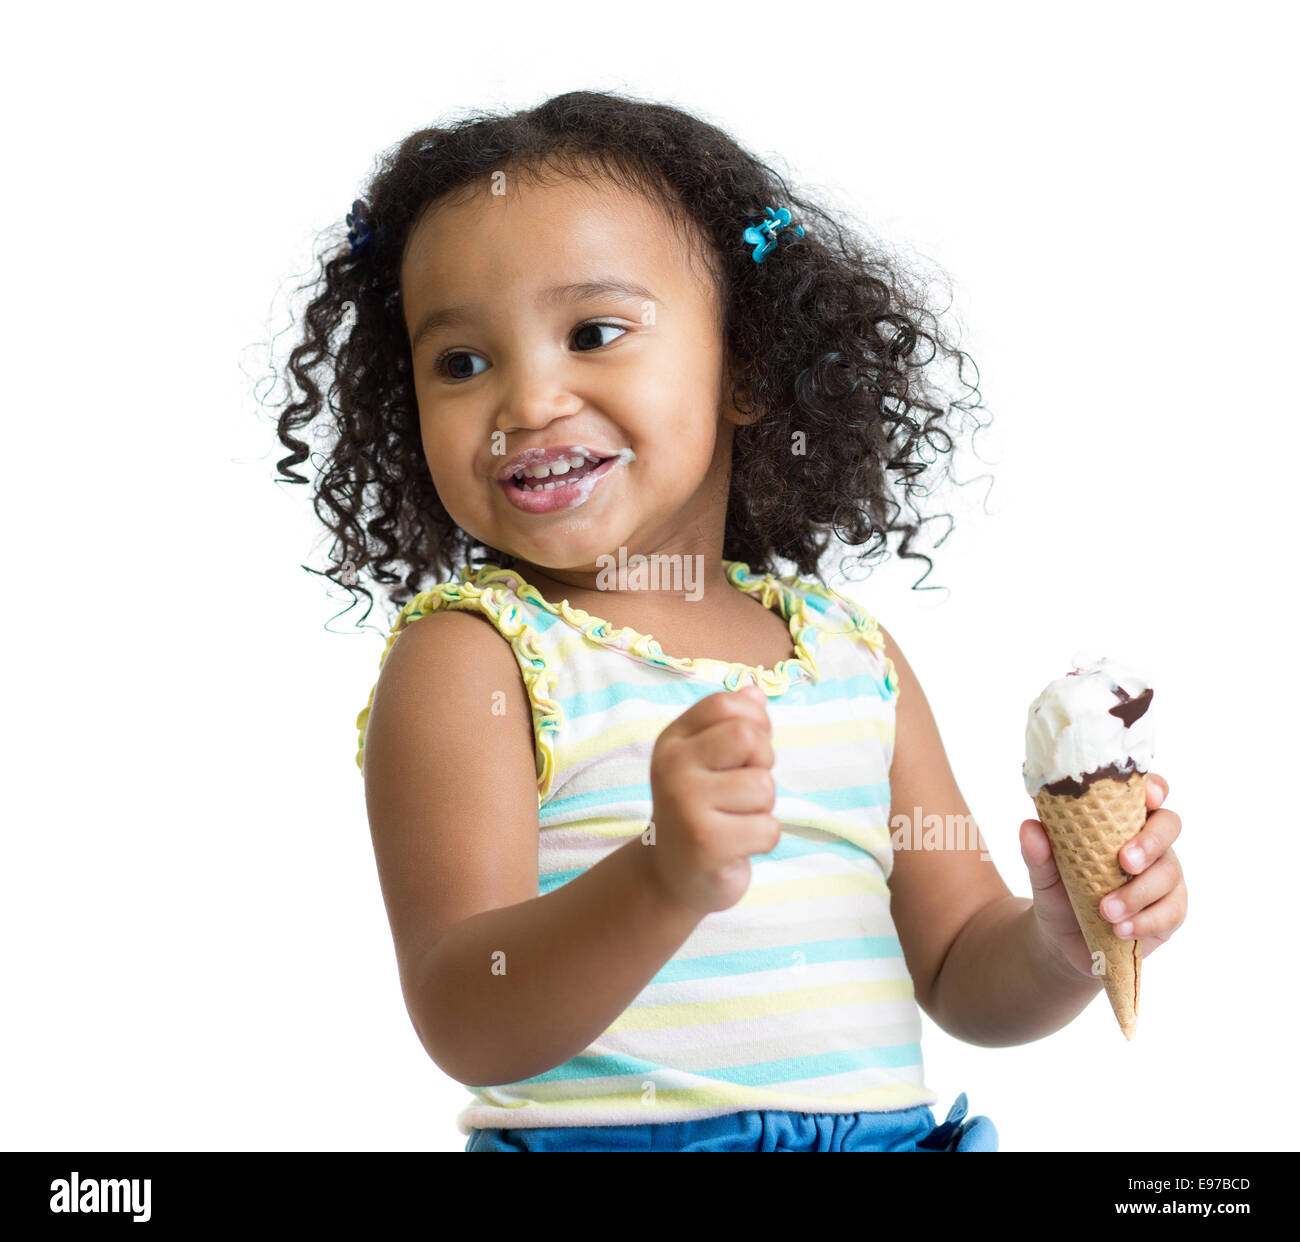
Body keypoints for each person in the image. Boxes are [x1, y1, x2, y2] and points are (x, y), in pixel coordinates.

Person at [269, 90, 1187, 1152]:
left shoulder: (853, 658)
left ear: (744, 366)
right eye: (460, 362)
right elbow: (469, 1011)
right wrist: (659, 878)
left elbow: (956, 972)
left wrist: (1058, 940)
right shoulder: (476, 659)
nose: (526, 402)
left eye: (593, 332)